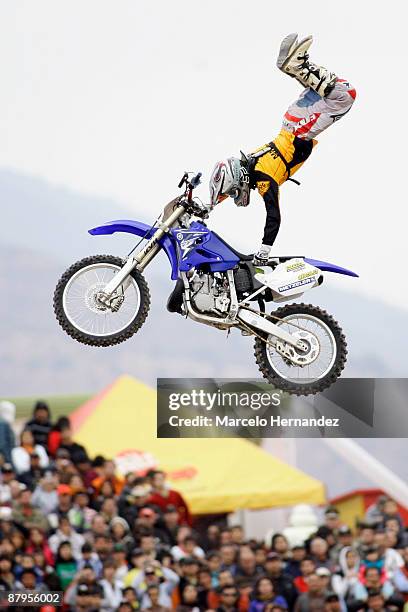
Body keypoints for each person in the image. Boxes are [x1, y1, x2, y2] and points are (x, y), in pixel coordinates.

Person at [208, 33, 356, 264]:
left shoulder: (264, 177)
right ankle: (294, 68)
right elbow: (228, 185)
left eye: (236, 191)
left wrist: (264, 250)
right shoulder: (251, 163)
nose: (238, 196)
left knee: (345, 96)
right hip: (292, 122)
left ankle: (298, 66)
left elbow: (273, 216)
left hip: (299, 129)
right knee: (326, 94)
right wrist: (209, 204)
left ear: (240, 179)